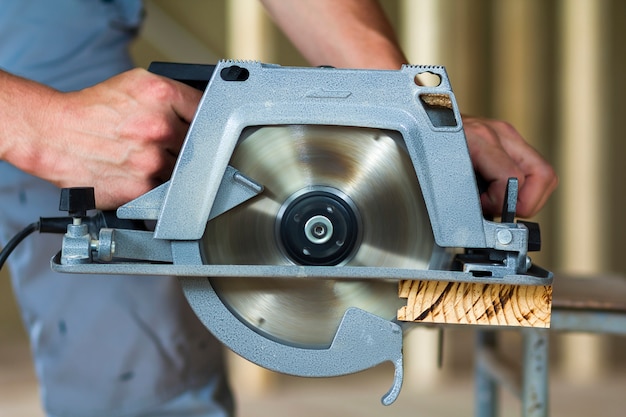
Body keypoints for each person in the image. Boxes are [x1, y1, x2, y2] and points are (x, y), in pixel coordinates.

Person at [0, 1, 558, 416]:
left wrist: (406, 117)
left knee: (148, 393)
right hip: (26, 76)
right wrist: (37, 123)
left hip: (59, 37)